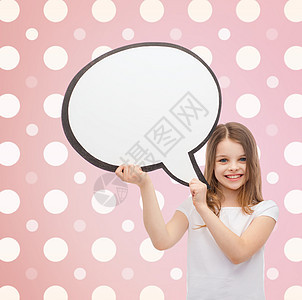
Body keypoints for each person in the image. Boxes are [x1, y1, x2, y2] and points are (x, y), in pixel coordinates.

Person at [115, 122, 279, 300]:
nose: (233, 167)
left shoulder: (265, 210)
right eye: (223, 160)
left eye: (242, 159)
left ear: (252, 162)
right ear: (212, 163)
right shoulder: (192, 205)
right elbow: (161, 240)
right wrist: (144, 184)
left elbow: (238, 254)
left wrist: (203, 207)